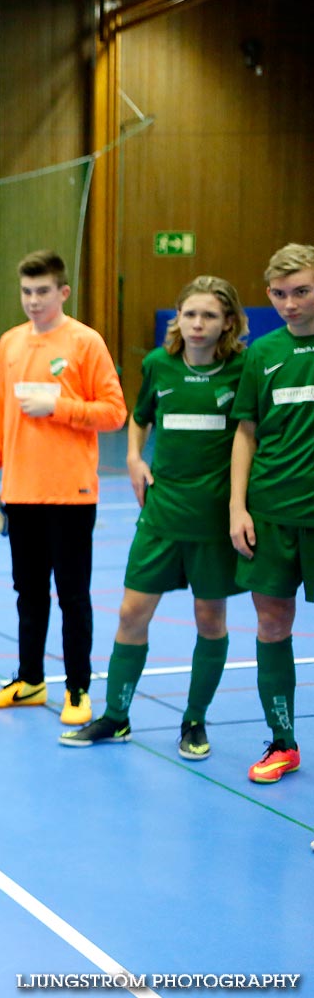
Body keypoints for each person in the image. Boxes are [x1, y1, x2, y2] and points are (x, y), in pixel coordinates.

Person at [60, 276, 248, 758]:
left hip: (213, 521)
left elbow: (252, 436)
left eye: (209, 315)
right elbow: (138, 418)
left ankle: (194, 721)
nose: (198, 324)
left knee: (210, 618)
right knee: (130, 613)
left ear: (228, 321)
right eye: (189, 314)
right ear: (177, 319)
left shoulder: (243, 369)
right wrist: (134, 458)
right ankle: (117, 717)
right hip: (162, 514)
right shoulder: (158, 366)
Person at [0, 249, 127, 726]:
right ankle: (30, 681)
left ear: (62, 292)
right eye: (26, 292)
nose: (33, 301)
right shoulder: (10, 344)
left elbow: (115, 412)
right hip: (21, 492)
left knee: (74, 595)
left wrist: (60, 407)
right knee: (28, 592)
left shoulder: (85, 342)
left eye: (42, 292)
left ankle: (78, 688)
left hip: (71, 494)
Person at [228, 242, 314, 784]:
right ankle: (282, 742)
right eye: (280, 294)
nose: (291, 304)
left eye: (302, 291)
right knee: (271, 625)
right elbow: (246, 432)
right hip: (272, 511)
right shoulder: (262, 354)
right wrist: (238, 506)